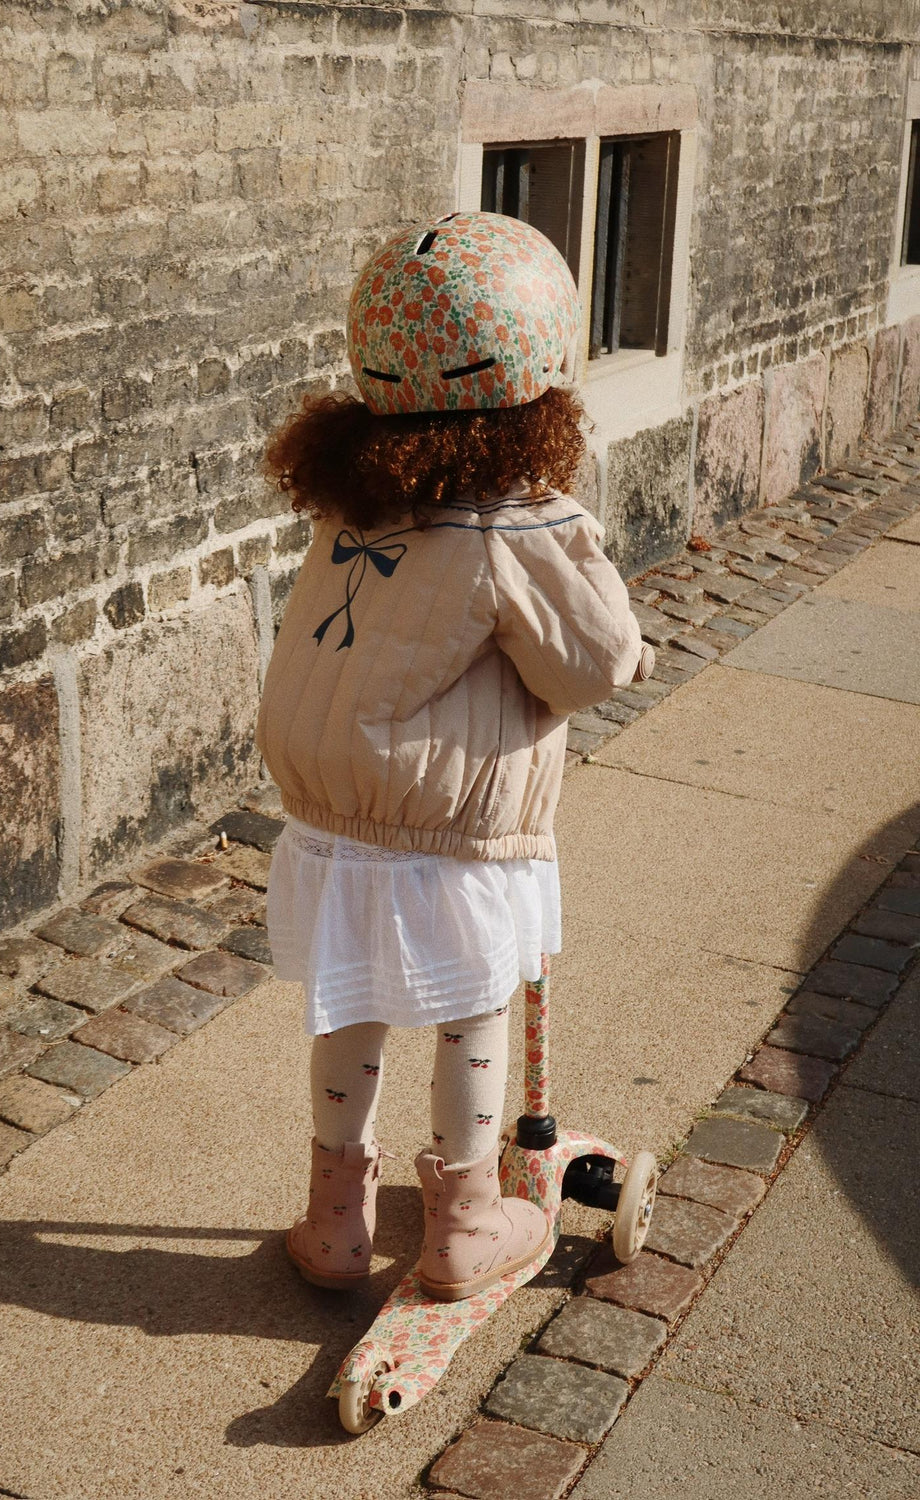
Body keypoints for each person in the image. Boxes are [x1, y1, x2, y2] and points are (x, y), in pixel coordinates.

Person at [255, 211, 643, 1302]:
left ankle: (336, 1222)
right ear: (535, 376)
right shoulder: (515, 523)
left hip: (327, 810)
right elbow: (595, 666)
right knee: (472, 1009)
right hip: (446, 821)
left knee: (352, 1004)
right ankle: (466, 1226)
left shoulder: (351, 503)